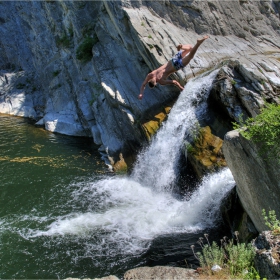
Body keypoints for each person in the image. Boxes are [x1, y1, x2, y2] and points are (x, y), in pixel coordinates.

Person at [138, 35, 209, 100]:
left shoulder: (161, 81)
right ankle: (181, 47)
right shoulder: (150, 74)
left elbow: (174, 82)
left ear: (156, 84)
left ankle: (198, 43)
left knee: (190, 56)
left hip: (176, 66)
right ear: (150, 80)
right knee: (190, 47)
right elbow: (144, 84)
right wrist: (141, 93)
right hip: (172, 60)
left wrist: (180, 87)